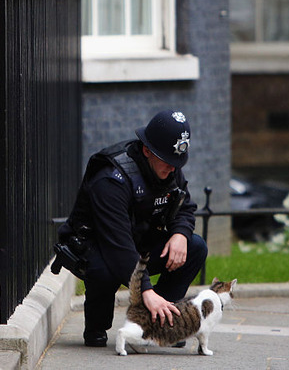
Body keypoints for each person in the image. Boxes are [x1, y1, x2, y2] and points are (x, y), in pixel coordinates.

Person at [55, 110, 208, 347]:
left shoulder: (169, 167)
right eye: (168, 163)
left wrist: (180, 234)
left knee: (195, 246)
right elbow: (117, 244)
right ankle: (96, 326)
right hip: (100, 246)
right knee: (105, 271)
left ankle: (164, 321)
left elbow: (185, 206)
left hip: (140, 240)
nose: (173, 169)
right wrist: (145, 291)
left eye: (177, 163)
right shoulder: (110, 179)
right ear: (147, 151)